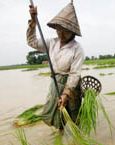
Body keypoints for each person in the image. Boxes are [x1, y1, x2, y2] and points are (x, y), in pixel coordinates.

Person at [27, 1, 85, 130]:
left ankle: (78, 140)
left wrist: (66, 94)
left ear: (72, 32)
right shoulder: (52, 43)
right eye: (58, 30)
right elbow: (32, 42)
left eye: (65, 31)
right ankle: (60, 133)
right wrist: (33, 22)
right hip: (56, 82)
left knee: (74, 114)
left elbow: (74, 74)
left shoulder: (77, 49)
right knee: (57, 113)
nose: (60, 34)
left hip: (71, 86)